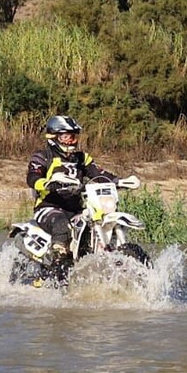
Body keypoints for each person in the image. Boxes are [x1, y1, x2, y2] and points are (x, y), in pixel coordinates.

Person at [26, 115, 119, 271]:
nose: (72, 141)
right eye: (67, 137)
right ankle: (58, 265)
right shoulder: (42, 156)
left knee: (101, 223)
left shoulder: (82, 158)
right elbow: (32, 177)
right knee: (61, 225)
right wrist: (48, 183)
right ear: (53, 137)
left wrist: (119, 181)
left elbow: (99, 174)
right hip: (48, 207)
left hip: (76, 210)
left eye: (74, 137)